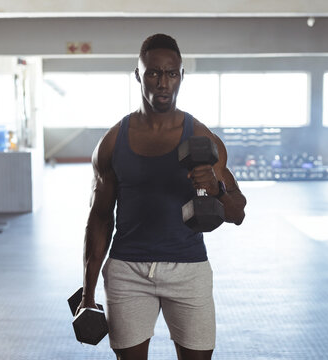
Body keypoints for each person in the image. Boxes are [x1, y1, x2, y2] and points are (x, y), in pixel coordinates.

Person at [77, 33, 247, 360]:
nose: (163, 83)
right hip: (128, 271)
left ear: (182, 76)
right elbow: (98, 218)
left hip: (189, 271)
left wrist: (215, 187)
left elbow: (237, 212)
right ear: (138, 75)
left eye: (171, 74)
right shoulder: (113, 142)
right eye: (153, 73)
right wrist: (87, 293)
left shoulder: (202, 137)